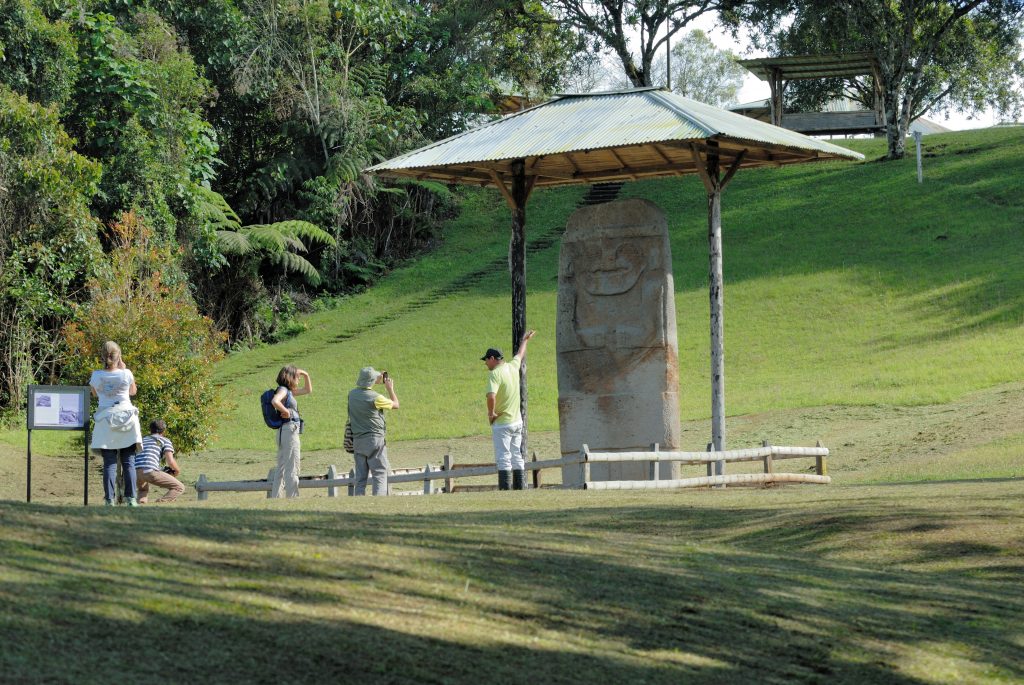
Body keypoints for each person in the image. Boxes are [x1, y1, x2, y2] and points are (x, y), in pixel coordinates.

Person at [89, 341, 143, 506]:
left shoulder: (96, 375)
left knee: (110, 463)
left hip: (106, 418)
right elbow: (133, 391)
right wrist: (124, 368)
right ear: (118, 356)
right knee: (129, 462)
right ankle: (131, 498)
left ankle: (109, 499)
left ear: (103, 357)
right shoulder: (126, 373)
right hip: (127, 417)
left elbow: (94, 393)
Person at [481, 330, 535, 491]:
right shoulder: (512, 366)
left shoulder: (495, 374)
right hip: (517, 421)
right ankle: (520, 489)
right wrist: (525, 340)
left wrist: (491, 414)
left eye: (486, 360)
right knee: (516, 455)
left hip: (502, 423)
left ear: (492, 359)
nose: (485, 363)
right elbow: (520, 353)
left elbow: (491, 396)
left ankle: (505, 490)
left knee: (503, 457)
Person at [347, 367, 399, 496]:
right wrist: (389, 389)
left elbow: (364, 389)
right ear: (371, 380)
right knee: (379, 473)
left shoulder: (351, 395)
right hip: (374, 439)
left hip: (358, 440)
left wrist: (374, 379)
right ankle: (378, 503)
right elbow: (396, 404)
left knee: (360, 477)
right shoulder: (376, 398)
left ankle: (358, 503)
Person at [271, 365, 312, 498]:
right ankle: (293, 498)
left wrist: (306, 374)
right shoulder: (283, 390)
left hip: (284, 431)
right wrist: (286, 411)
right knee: (292, 465)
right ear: (290, 377)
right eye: (297, 377)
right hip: (289, 430)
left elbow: (308, 390)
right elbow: (275, 401)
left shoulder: (288, 391)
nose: (299, 380)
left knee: (282, 467)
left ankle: (275, 497)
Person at [135, 419, 185, 504]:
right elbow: (170, 461)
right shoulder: (165, 440)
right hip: (149, 471)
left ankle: (141, 504)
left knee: (143, 490)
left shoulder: (143, 440)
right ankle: (159, 503)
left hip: (136, 472)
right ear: (164, 430)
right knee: (179, 487)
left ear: (150, 430)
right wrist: (177, 471)